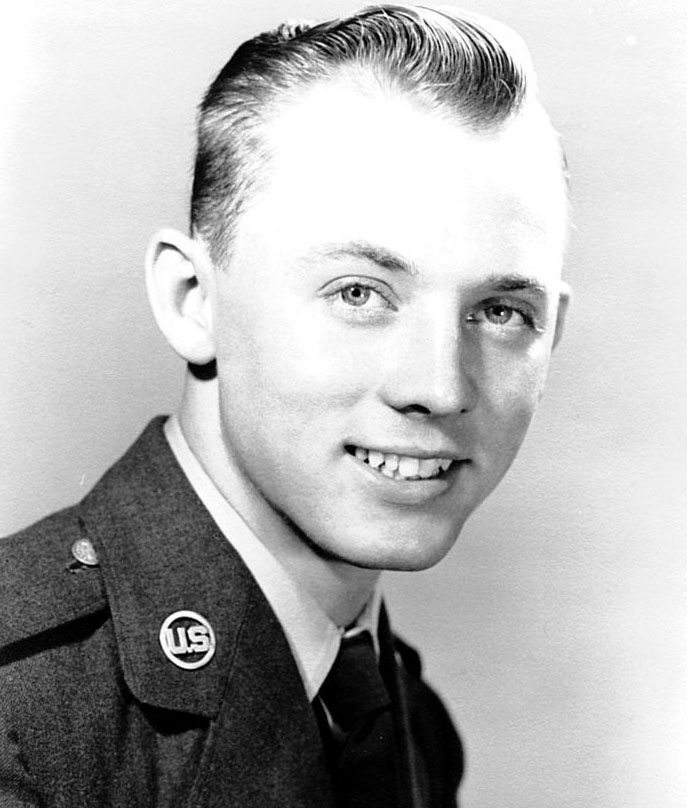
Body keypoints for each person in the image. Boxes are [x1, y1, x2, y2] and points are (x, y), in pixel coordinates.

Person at [0, 5, 570, 807]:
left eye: (501, 312)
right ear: (192, 299)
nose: (439, 387)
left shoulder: (407, 722)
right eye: (359, 293)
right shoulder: (21, 712)